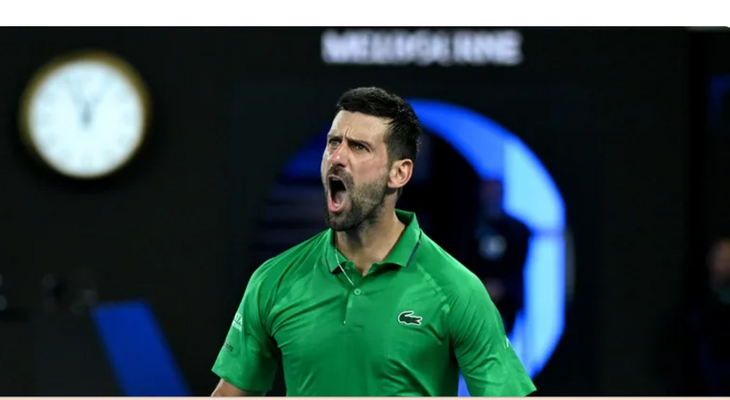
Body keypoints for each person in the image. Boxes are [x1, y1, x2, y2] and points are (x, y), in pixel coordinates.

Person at [210, 87, 536, 397]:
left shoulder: (456, 290)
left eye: (358, 147)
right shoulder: (274, 280)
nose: (337, 157)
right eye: (333, 142)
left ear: (399, 173)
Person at [467, 179, 531, 334]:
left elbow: (518, 265)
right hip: (473, 300)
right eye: (487, 192)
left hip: (508, 300)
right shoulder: (466, 230)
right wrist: (482, 287)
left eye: (495, 192)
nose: (491, 197)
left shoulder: (518, 230)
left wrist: (502, 288)